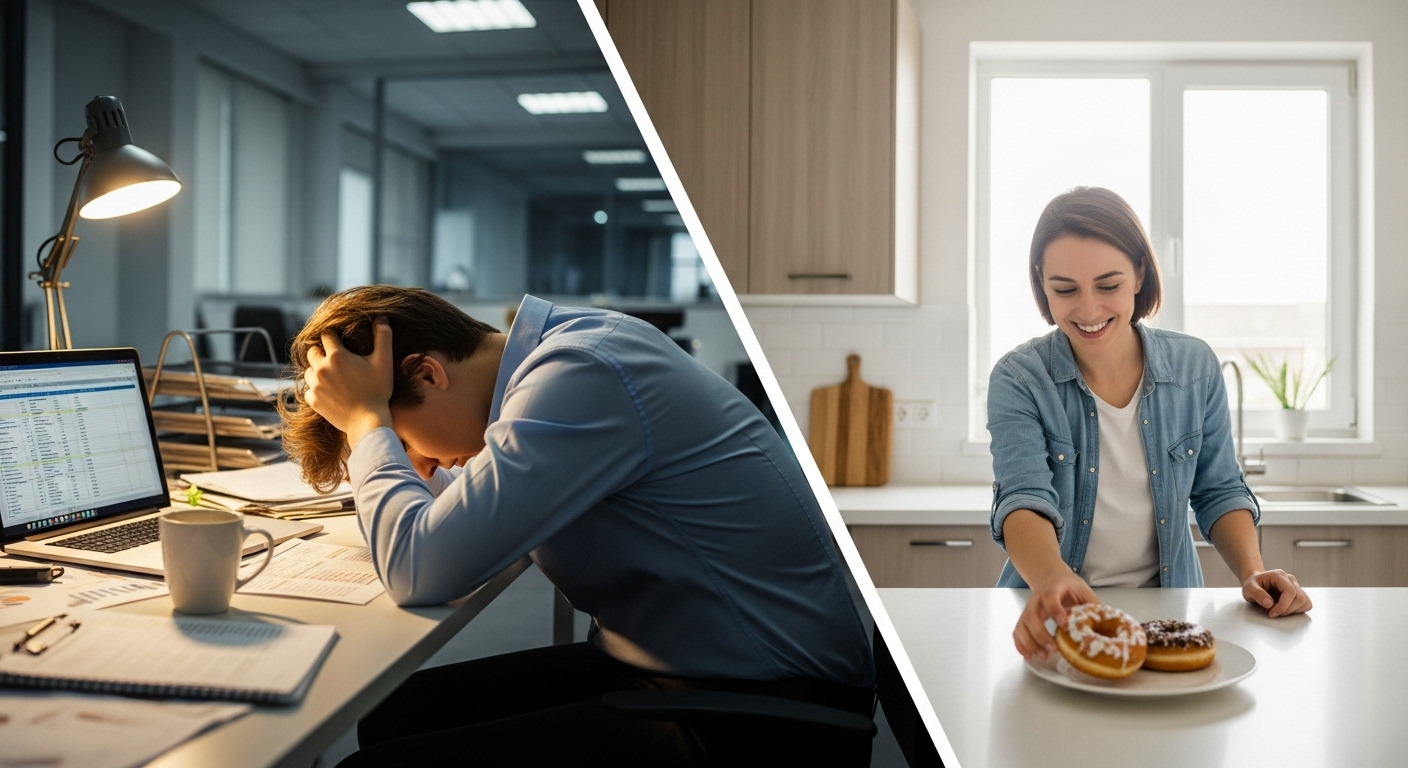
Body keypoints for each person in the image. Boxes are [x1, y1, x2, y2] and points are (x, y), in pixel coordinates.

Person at [281, 286, 874, 766]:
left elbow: (420, 569)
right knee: (395, 712)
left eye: (405, 439)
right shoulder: (558, 364)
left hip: (759, 714)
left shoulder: (581, 375)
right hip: (682, 669)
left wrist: (366, 424)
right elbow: (456, 504)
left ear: (429, 374)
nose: (423, 464)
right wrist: (379, 434)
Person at [986, 186, 1312, 663]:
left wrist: (1252, 572)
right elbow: (1023, 498)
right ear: (1041, 283)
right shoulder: (1019, 379)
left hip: (1169, 613)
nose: (1089, 310)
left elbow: (1218, 490)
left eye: (1108, 285)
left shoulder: (1195, 367)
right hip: (1054, 616)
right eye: (1065, 289)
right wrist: (1053, 576)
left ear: (1139, 273)